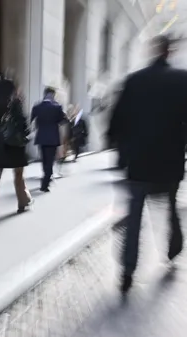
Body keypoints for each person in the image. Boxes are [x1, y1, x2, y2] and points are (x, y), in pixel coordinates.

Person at [108, 34, 186, 295]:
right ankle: (173, 250)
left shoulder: (135, 80)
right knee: (171, 208)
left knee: (135, 217)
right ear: (170, 52)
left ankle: (127, 272)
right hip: (170, 162)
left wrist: (120, 153)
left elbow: (116, 120)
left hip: (139, 162)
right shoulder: (182, 80)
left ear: (155, 50)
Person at [0, 78, 32, 223]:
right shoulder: (16, 103)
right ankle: (23, 203)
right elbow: (23, 123)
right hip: (14, 144)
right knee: (18, 176)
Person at [31, 87, 67, 192]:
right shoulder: (57, 107)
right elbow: (63, 121)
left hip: (41, 138)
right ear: (53, 95)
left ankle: (46, 177)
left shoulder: (37, 107)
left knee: (44, 160)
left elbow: (32, 121)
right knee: (50, 161)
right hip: (52, 139)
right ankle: (45, 184)